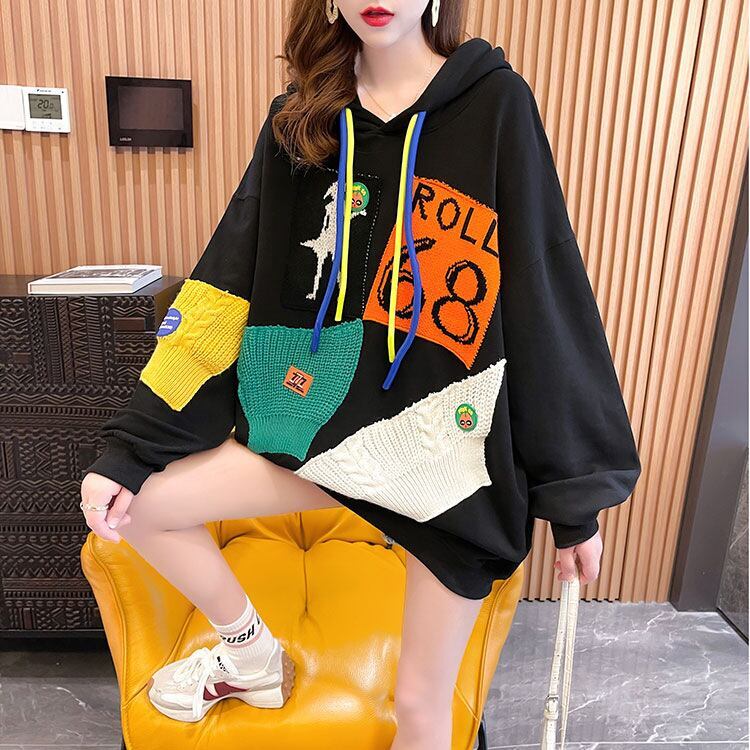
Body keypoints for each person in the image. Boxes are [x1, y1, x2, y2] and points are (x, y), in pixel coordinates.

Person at [79, 1, 641, 747]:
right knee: (140, 508)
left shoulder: (495, 105)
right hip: (322, 435)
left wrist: (574, 501)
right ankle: (251, 655)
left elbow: (543, 286)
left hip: (442, 454)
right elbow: (228, 279)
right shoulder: (300, 120)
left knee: (420, 709)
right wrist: (131, 448)